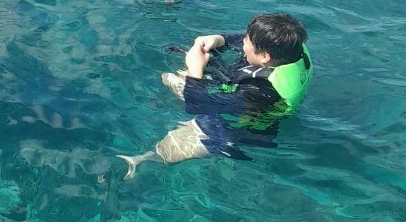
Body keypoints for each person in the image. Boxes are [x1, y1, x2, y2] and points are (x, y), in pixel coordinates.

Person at [118, 13, 312, 178]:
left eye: (247, 41)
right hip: (240, 97)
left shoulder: (261, 91)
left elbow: (197, 105)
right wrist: (219, 39)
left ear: (264, 57)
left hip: (241, 127)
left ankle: (140, 161)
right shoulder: (291, 47)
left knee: (177, 145)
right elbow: (247, 42)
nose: (243, 42)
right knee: (174, 75)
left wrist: (195, 69)